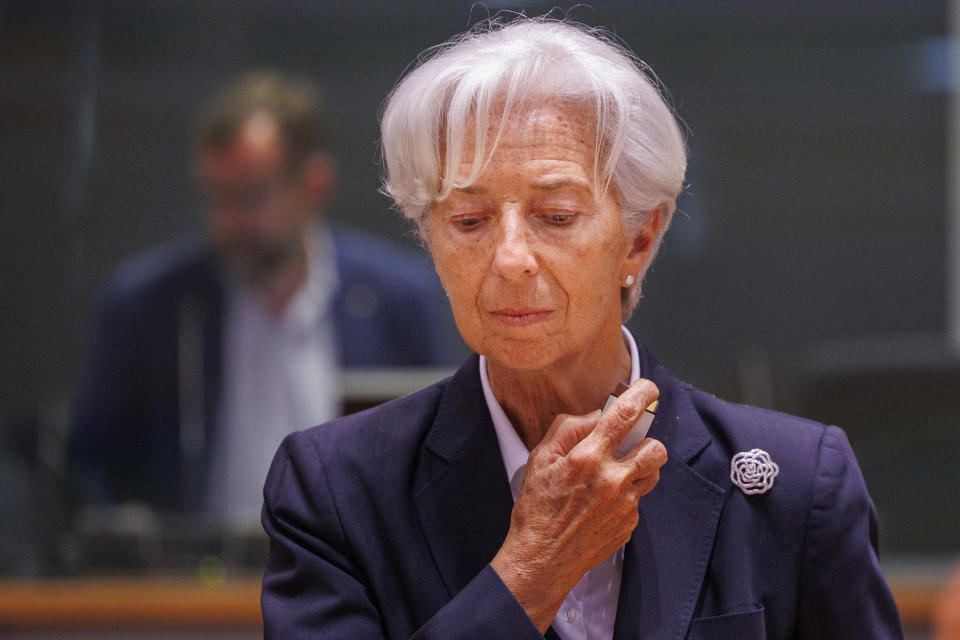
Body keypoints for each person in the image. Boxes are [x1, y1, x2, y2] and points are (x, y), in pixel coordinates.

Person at [260, 19, 904, 639]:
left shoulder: (795, 484)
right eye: (469, 220)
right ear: (429, 239)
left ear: (639, 239)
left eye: (557, 215)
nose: (510, 259)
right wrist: (532, 572)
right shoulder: (336, 490)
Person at [68, 70, 461, 524]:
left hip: (359, 580)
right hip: (188, 586)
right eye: (214, 197)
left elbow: (442, 454)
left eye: (250, 197)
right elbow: (91, 470)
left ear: (315, 186)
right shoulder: (148, 306)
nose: (225, 222)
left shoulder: (398, 298)